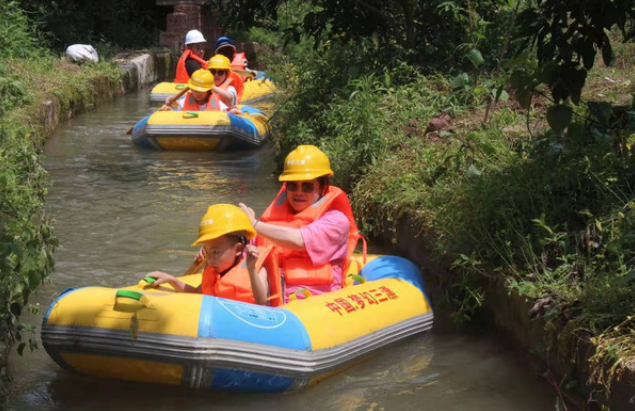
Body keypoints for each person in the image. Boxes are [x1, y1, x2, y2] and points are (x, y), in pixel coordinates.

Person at [239, 145, 360, 302]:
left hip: (317, 303)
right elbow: (242, 256)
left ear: (323, 187)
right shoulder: (270, 222)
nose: (299, 192)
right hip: (275, 302)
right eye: (292, 185)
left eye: (307, 186)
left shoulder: (336, 221)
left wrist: (254, 225)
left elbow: (299, 239)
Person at [147, 204, 274, 305]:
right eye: (207, 252)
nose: (211, 259)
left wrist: (251, 270)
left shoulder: (256, 269)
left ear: (239, 249)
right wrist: (170, 279)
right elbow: (196, 292)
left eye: (216, 252)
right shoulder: (214, 273)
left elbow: (261, 300)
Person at [160, 65, 238, 113]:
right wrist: (168, 109)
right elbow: (176, 112)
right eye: (195, 89)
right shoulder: (183, 103)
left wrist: (232, 112)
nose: (198, 93)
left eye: (201, 90)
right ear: (191, 89)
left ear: (208, 90)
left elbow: (228, 114)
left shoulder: (218, 104)